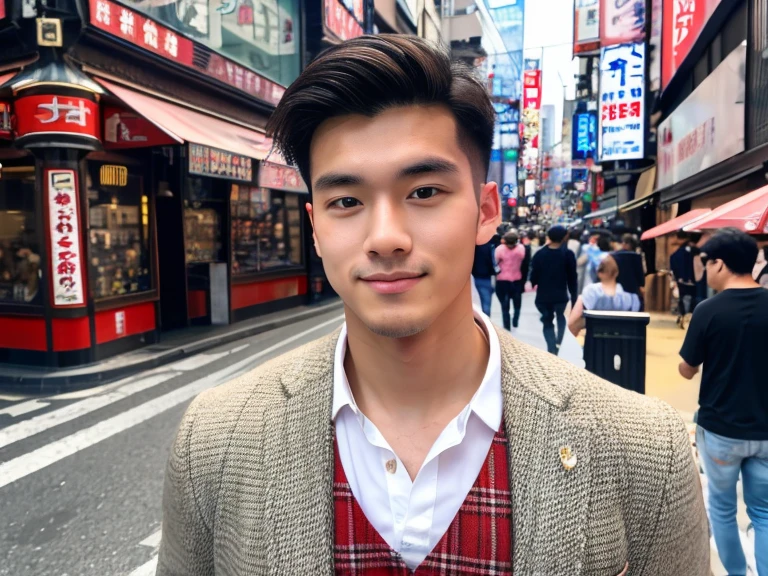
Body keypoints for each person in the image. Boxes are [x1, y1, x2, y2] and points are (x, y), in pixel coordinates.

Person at [158, 35, 709, 576]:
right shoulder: (214, 441)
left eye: (424, 192)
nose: (385, 237)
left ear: (486, 211)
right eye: (345, 201)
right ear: (316, 230)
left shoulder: (644, 451)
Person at [678, 228, 768, 576]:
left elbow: (687, 370)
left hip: (720, 432)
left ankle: (735, 574)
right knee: (762, 512)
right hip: (765, 430)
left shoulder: (708, 310)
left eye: (707, 263)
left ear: (720, 263)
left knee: (723, 508)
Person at [530, 225, 578, 355]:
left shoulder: (540, 254)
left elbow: (534, 275)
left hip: (543, 296)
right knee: (561, 317)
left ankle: (551, 347)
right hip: (561, 295)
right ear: (563, 237)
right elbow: (572, 278)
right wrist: (574, 297)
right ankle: (559, 342)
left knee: (547, 321)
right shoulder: (567, 254)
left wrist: (534, 282)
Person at [568, 255, 641, 336]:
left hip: (594, 346)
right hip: (623, 346)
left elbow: (571, 325)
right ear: (616, 273)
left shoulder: (590, 292)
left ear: (599, 273)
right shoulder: (632, 299)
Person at [494, 230, 525, 329]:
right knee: (517, 303)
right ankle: (515, 319)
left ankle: (507, 326)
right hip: (516, 279)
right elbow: (523, 259)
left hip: (502, 279)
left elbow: (495, 262)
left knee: (504, 304)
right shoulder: (520, 249)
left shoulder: (500, 249)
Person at [670, 232, 698, 326]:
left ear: (677, 238)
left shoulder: (675, 254)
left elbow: (674, 267)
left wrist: (677, 278)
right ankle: (690, 318)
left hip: (681, 281)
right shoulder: (695, 251)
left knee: (682, 298)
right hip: (694, 280)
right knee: (694, 300)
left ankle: (683, 317)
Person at [612, 233, 646, 307]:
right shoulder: (636, 257)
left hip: (618, 287)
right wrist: (642, 284)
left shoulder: (614, 256)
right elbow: (639, 273)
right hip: (633, 288)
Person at [471, 238, 497, 316]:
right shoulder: (489, 247)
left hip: (474, 276)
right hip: (486, 277)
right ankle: (486, 321)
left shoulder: (472, 248)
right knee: (486, 302)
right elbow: (493, 262)